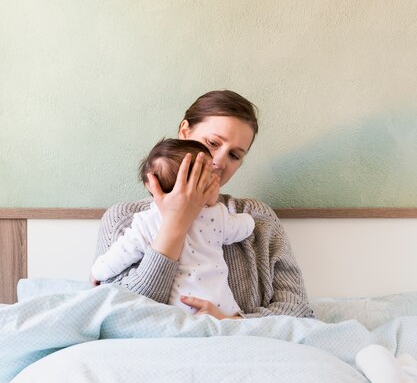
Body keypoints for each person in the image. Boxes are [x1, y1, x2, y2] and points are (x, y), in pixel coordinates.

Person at [95, 90, 314, 320]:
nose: (218, 162)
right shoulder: (125, 218)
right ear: (184, 132)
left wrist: (232, 323)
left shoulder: (256, 218)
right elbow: (119, 316)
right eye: (212, 143)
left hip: (246, 351)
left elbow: (299, 310)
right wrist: (174, 226)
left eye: (234, 155)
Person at [91, 139, 255, 317]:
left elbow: (118, 256)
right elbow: (243, 226)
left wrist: (97, 271)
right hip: (222, 307)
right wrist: (250, 219)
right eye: (212, 143)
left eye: (234, 155)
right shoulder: (218, 216)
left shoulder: (147, 222)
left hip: (177, 312)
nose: (218, 169)